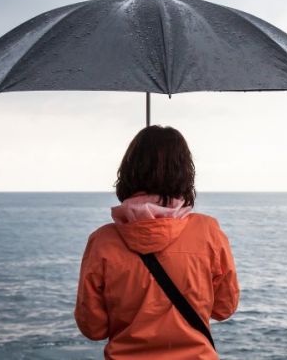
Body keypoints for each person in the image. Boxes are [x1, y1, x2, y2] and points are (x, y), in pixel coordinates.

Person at [74, 125, 239, 360]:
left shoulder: (102, 241)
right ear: (184, 172)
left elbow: (93, 327)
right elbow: (224, 309)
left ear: (129, 171)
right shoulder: (208, 231)